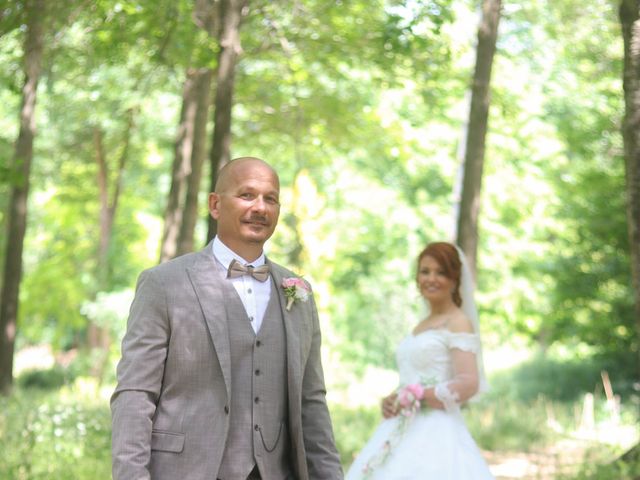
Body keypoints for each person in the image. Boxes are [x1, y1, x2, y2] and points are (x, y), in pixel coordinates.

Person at [111, 157, 343, 480]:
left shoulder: (299, 293)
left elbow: (312, 403)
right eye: (247, 195)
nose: (260, 207)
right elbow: (135, 394)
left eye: (270, 198)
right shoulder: (164, 284)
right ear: (215, 205)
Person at [345, 242, 494, 479]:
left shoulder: (458, 322)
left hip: (438, 432)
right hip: (401, 426)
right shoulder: (422, 324)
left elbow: (468, 383)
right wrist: (395, 396)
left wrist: (419, 395)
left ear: (455, 278)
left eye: (440, 272)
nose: (431, 279)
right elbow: (414, 376)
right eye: (425, 271)